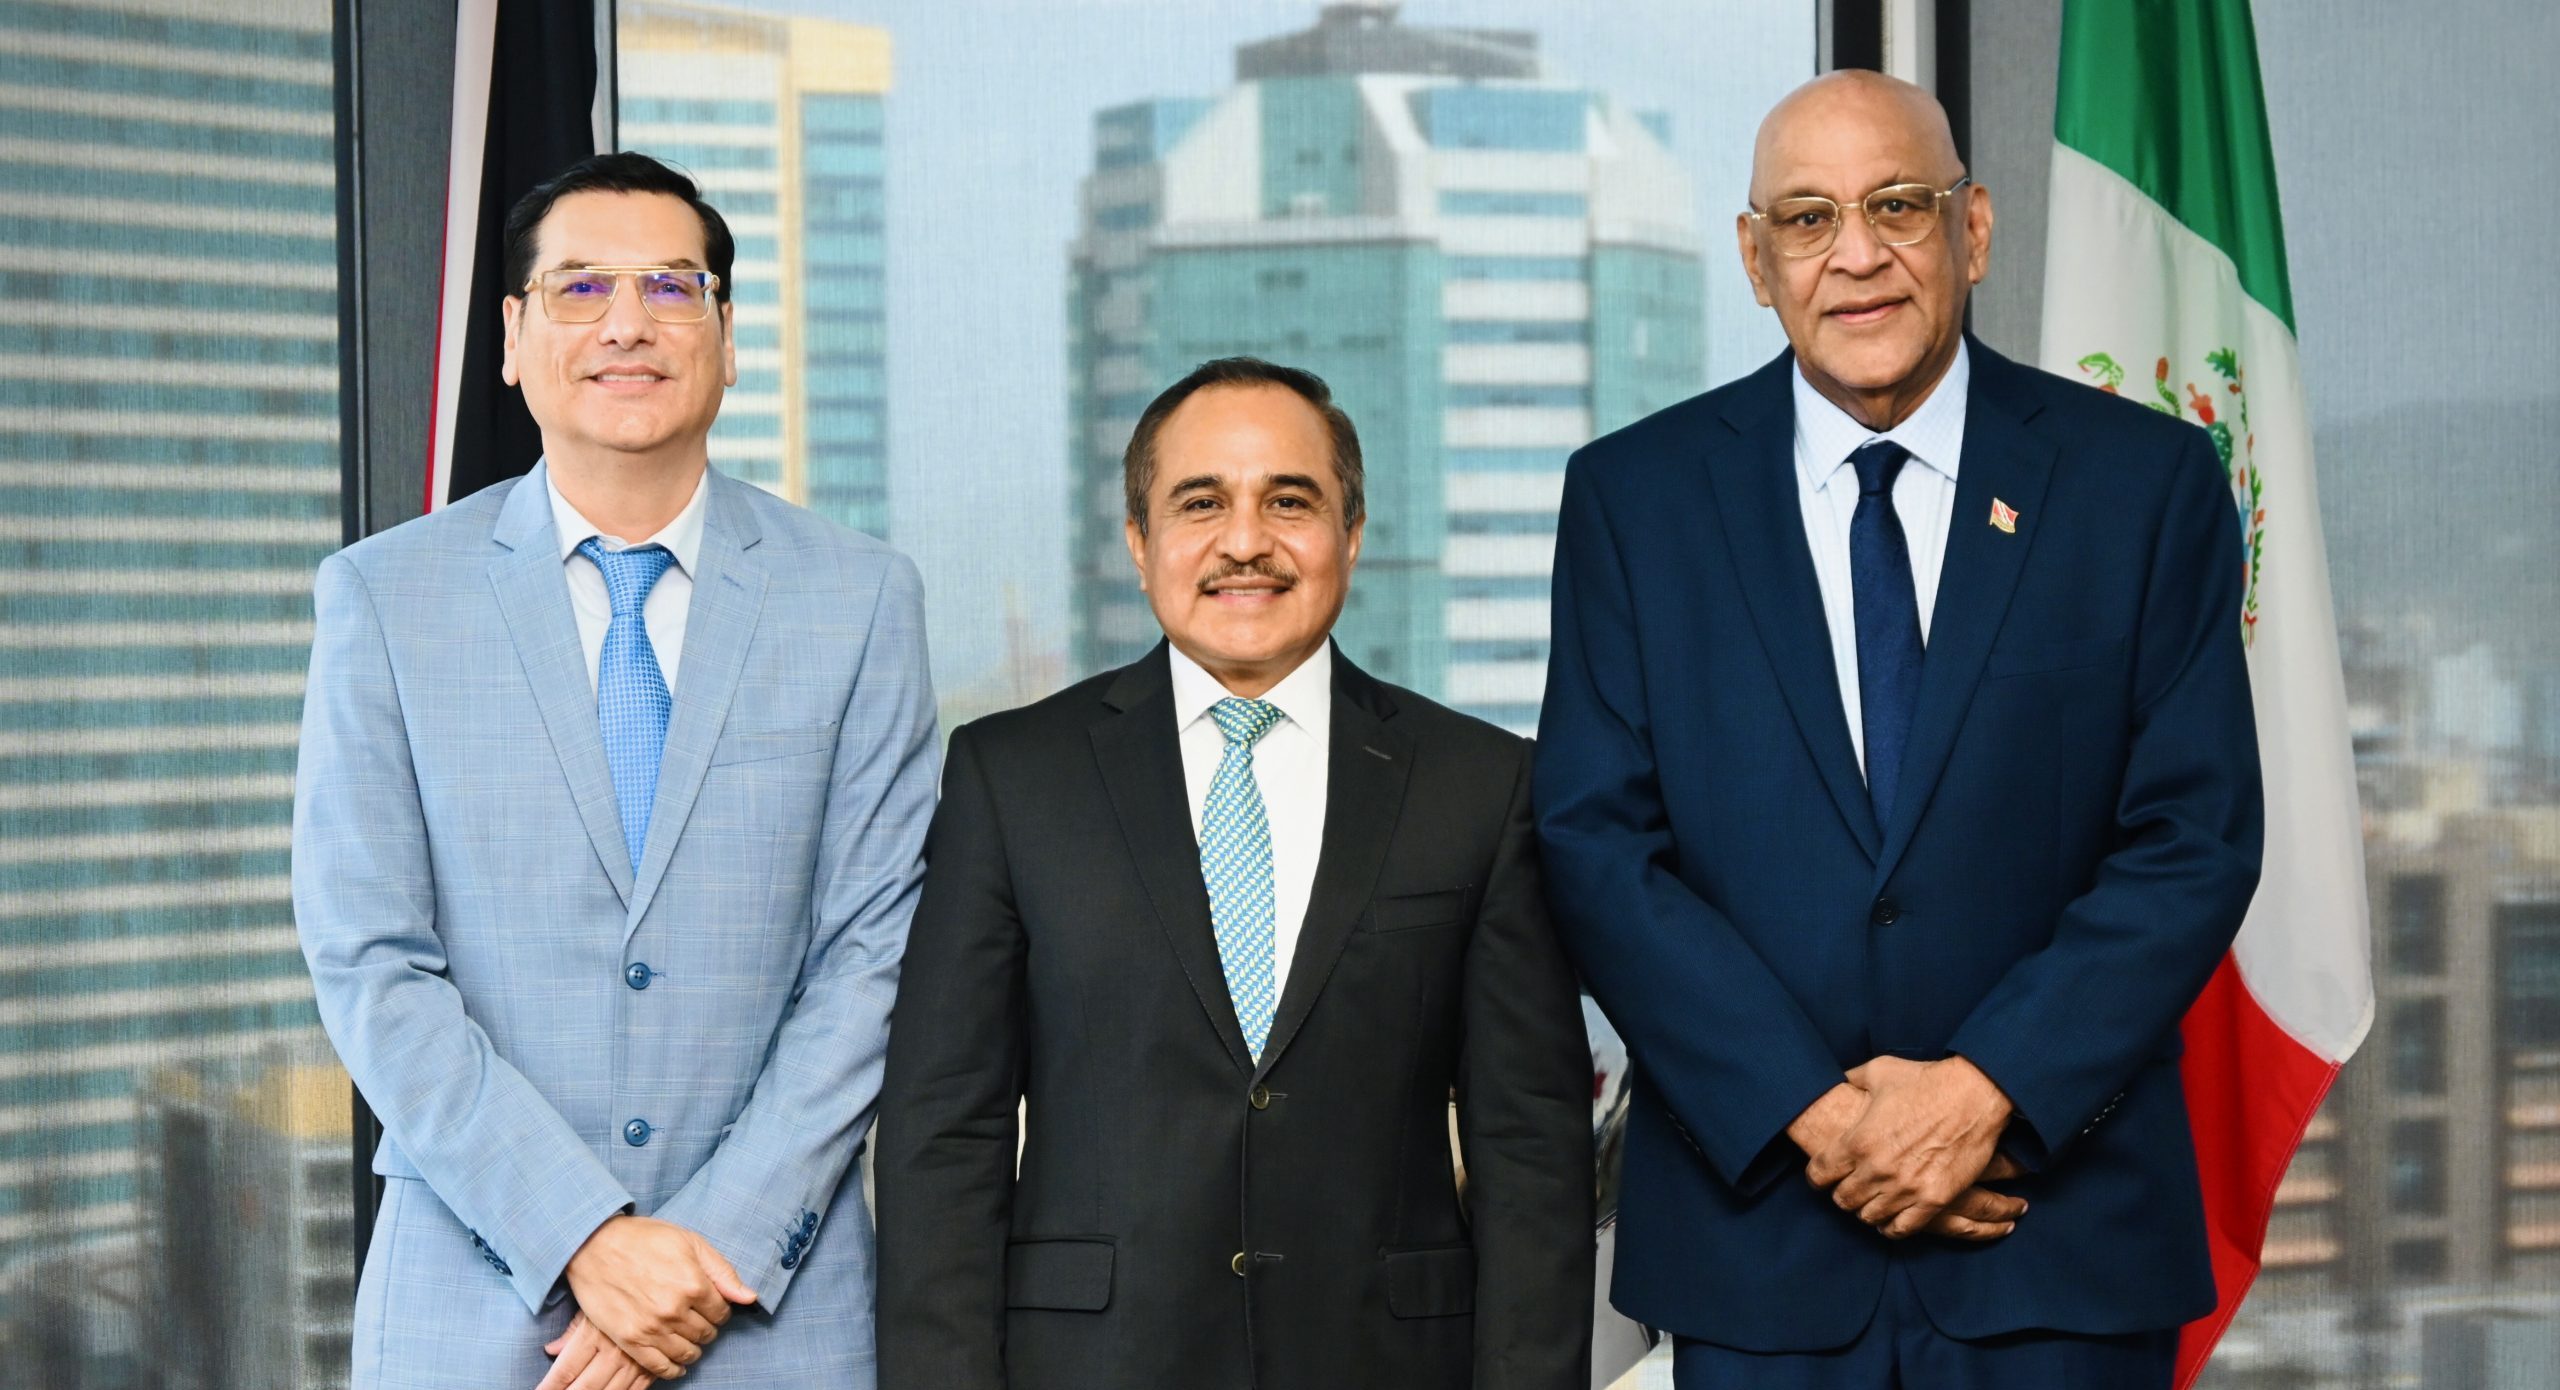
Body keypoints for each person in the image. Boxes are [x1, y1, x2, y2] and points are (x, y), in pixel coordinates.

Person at [1535, 72, 2263, 1389]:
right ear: (1758, 261)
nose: (1857, 254)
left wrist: (1982, 1092)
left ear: (1973, 230)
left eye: (1898, 207)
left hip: (2059, 1238)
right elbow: (1597, 845)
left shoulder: (2143, 487)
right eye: (1808, 219)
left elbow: (2194, 835)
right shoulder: (1633, 501)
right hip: (1760, 1246)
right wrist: (1819, 1119)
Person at [293, 151, 937, 1390]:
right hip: (472, 1303)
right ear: (513, 337)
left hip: (764, 1307)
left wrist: (705, 1248)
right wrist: (583, 1235)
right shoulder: (384, 596)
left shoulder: (857, 600)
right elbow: (369, 955)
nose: (629, 323)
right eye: (580, 289)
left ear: (727, 334)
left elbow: (873, 953)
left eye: (672, 287)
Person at [875, 357, 1593, 1390]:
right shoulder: (1012, 778)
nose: (1245, 542)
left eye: (1288, 501)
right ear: (1139, 540)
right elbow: (944, 1134)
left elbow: (1530, 1146)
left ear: (1350, 533)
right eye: (1200, 503)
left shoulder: (1477, 785)